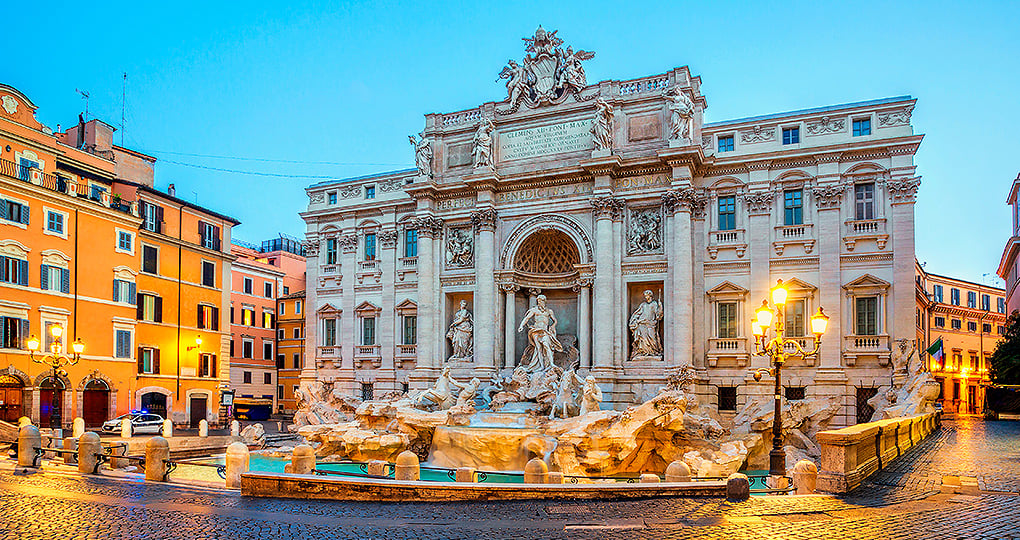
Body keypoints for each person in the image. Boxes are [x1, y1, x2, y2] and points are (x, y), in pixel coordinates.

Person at [518, 294, 563, 372]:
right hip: (536, 330)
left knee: (546, 345)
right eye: (538, 301)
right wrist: (521, 325)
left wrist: (553, 326)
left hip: (544, 331)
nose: (539, 302)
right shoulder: (534, 310)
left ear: (544, 301)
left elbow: (555, 320)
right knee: (538, 348)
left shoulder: (549, 311)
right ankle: (542, 366)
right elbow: (527, 318)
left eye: (541, 301)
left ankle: (551, 364)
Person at [629, 290, 663, 358]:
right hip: (642, 324)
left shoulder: (654, 304)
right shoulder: (643, 305)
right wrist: (635, 320)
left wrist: (660, 306)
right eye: (645, 295)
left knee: (652, 338)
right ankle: (644, 352)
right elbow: (637, 313)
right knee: (642, 339)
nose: (645, 297)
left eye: (646, 295)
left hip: (651, 324)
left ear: (650, 295)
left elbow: (658, 315)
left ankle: (653, 351)